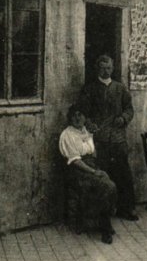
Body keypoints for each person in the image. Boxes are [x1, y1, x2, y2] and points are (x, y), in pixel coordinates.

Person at [78, 55, 139, 221]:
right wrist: (89, 124)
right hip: (99, 139)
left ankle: (127, 208)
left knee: (123, 174)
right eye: (102, 68)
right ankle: (103, 212)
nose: (106, 71)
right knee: (102, 174)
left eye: (109, 68)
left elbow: (129, 109)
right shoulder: (89, 89)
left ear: (113, 69)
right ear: (97, 69)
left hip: (118, 138)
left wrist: (124, 118)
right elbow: (83, 111)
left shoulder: (120, 88)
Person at [59, 106, 117, 244]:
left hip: (90, 167)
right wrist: (93, 171)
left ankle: (101, 222)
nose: (78, 118)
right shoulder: (67, 135)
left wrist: (92, 136)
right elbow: (75, 161)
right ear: (70, 118)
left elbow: (92, 152)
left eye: (81, 115)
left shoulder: (86, 131)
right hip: (77, 171)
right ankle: (105, 228)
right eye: (74, 115)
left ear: (85, 117)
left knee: (110, 185)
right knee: (107, 186)